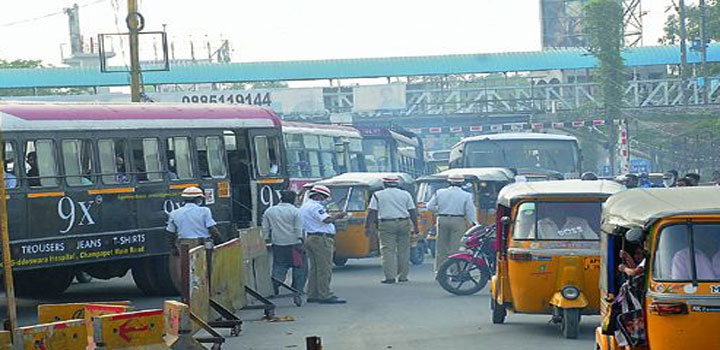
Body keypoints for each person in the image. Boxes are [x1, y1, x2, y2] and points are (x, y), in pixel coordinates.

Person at [165, 186, 222, 290]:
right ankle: (207, 291)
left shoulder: (174, 213)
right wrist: (220, 243)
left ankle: (189, 293)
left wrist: (173, 248)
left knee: (188, 271)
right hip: (203, 244)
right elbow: (212, 230)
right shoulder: (204, 211)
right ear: (198, 199)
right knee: (206, 270)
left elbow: (170, 234)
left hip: (184, 246)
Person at [365, 175, 419, 284]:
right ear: (397, 184)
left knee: (388, 250)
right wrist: (416, 226)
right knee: (404, 250)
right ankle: (403, 276)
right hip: (404, 222)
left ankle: (390, 277)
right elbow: (412, 211)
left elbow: (372, 212)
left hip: (386, 224)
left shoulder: (378, 195)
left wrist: (367, 226)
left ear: (384, 184)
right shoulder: (405, 194)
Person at [300, 185, 347, 304]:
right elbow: (326, 220)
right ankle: (324, 294)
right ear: (318, 196)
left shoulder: (305, 206)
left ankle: (313, 293)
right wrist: (338, 216)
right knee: (324, 268)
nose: (325, 199)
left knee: (315, 268)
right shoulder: (316, 207)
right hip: (322, 239)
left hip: (311, 237)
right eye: (324, 197)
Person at [426, 174, 477, 272]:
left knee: (441, 248)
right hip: (458, 220)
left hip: (442, 219)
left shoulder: (439, 192)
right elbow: (470, 211)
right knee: (457, 248)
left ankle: (440, 271)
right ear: (462, 183)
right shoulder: (466, 195)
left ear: (448, 182)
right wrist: (473, 224)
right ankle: (456, 271)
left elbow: (429, 207)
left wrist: (439, 210)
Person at [262, 190, 307, 295]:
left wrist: (266, 239)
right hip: (294, 244)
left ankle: (274, 285)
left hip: (278, 244)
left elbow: (265, 228)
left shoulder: (270, 211)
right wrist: (302, 242)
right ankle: (297, 289)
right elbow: (298, 229)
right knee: (299, 267)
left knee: (279, 266)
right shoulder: (295, 211)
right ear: (293, 199)